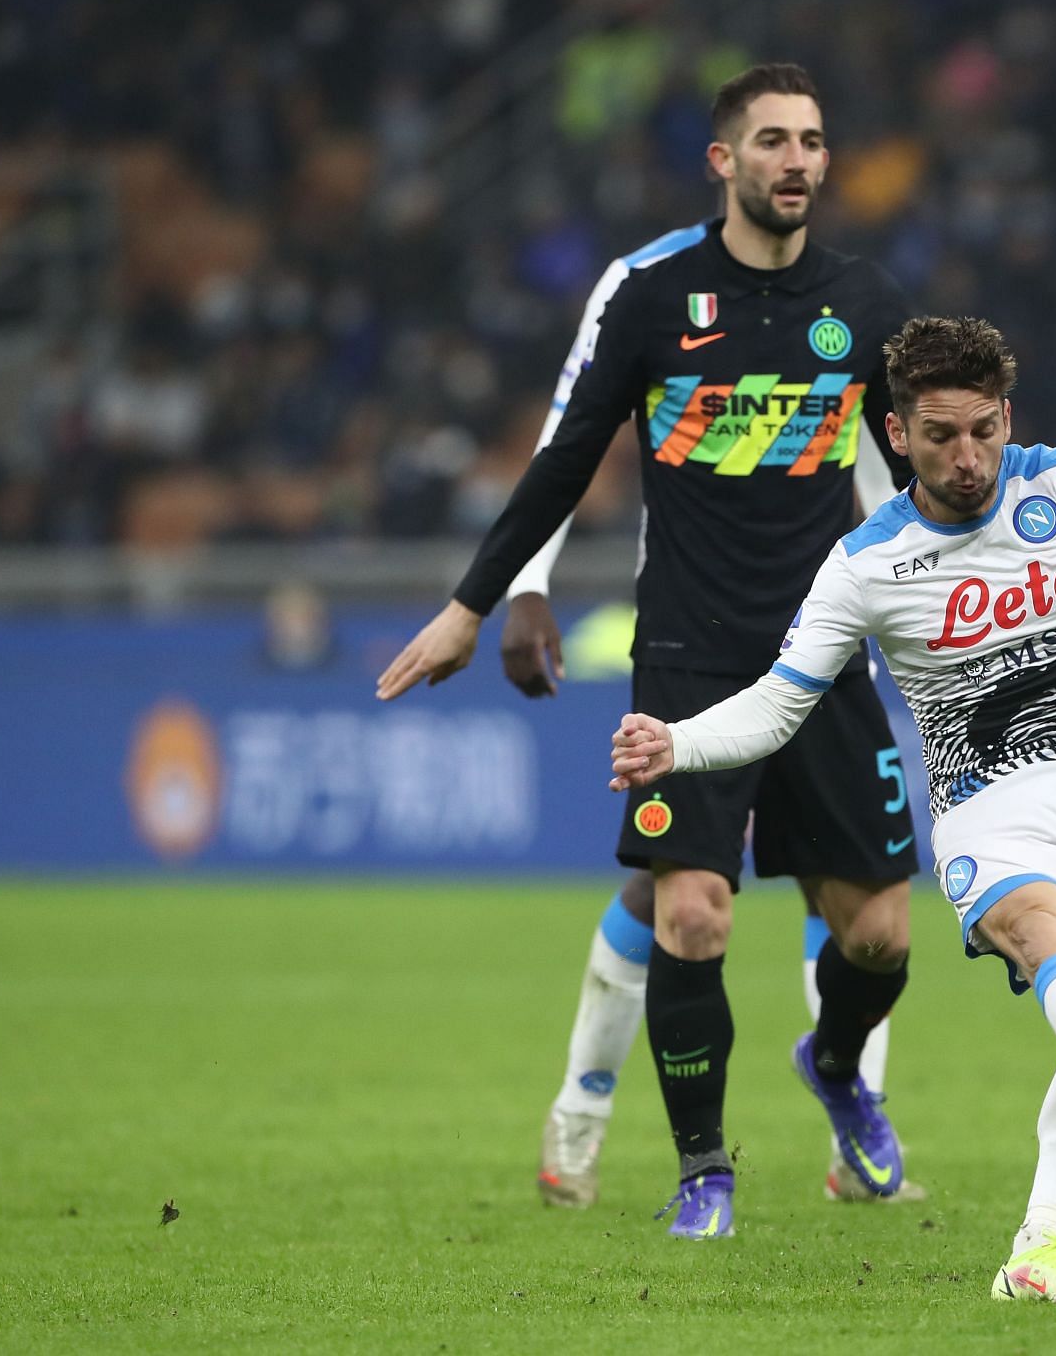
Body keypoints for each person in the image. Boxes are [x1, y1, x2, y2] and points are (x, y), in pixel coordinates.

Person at [606, 316, 1056, 1302]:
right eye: (941, 436)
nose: (968, 455)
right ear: (897, 435)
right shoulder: (866, 562)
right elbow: (779, 701)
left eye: (983, 429)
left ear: (1006, 417)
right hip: (989, 809)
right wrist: (674, 742)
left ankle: (1042, 1250)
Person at [377, 64, 923, 1239]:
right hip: (688, 652)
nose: (797, 160)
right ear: (723, 160)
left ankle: (835, 1074)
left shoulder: (868, 304)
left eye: (813, 141)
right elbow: (565, 455)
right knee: (690, 913)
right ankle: (702, 1173)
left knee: (877, 933)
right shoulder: (653, 296)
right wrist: (485, 600)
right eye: (772, 140)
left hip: (824, 654)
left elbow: (926, 463)